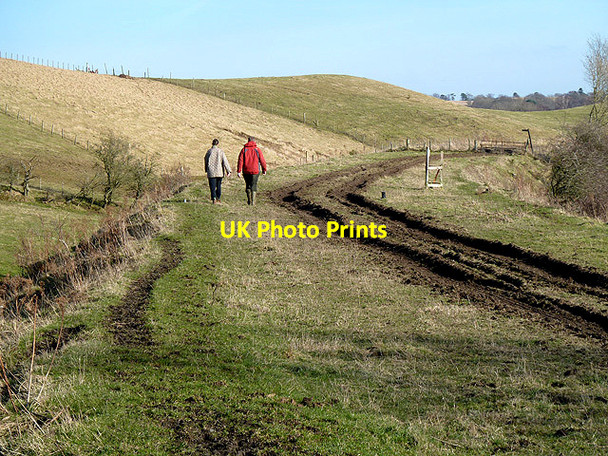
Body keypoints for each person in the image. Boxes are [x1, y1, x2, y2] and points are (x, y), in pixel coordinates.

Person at [237, 136, 267, 205]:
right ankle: (253, 202)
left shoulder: (244, 150)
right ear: (254, 141)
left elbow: (240, 161)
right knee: (254, 184)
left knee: (247, 185)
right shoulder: (257, 149)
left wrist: (239, 171)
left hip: (246, 170)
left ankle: (249, 201)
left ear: (248, 141)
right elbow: (262, 160)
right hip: (255, 171)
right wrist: (264, 169)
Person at [205, 139, 231, 204]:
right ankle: (218, 198)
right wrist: (228, 171)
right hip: (219, 171)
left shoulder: (209, 151)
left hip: (211, 172)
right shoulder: (221, 151)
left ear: (212, 144)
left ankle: (214, 198)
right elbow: (225, 161)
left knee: (212, 186)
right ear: (218, 144)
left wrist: (206, 169)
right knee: (218, 185)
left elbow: (206, 160)